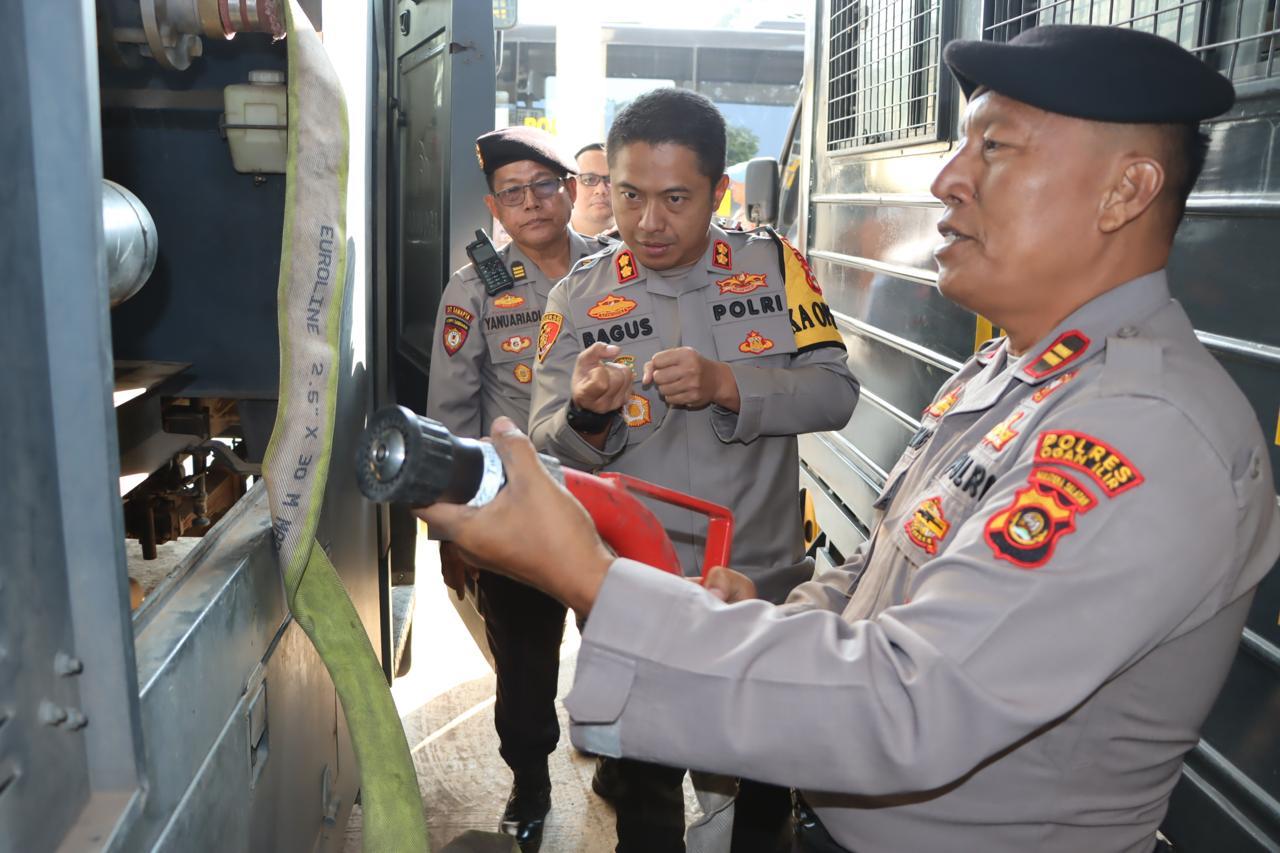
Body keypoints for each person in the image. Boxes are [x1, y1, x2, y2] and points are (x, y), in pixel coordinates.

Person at [421, 26, 1280, 853]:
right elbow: (885, 579)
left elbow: (906, 701)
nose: (946, 178)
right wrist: (761, 614)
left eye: (995, 149)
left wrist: (590, 576)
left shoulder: (1141, 427)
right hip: (737, 641)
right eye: (960, 145)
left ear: (1125, 190)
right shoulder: (1006, 376)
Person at [529, 88, 859, 852]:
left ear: (718, 191)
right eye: (630, 196)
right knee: (646, 809)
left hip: (764, 582)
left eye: (676, 199)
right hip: (633, 588)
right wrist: (589, 416)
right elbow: (546, 443)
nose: (650, 223)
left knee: (766, 799)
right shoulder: (576, 294)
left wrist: (728, 384)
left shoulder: (776, 268)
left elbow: (837, 391)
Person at [425, 125, 609, 852]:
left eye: (543, 184)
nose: (530, 202)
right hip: (521, 506)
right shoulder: (474, 291)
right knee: (527, 664)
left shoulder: (616, 270)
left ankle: (624, 766)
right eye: (512, 192)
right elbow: (451, 418)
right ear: (493, 207)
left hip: (610, 502)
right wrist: (454, 531)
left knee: (623, 646)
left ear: (570, 188)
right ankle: (529, 781)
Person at [570, 142, 615, 237]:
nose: (601, 190)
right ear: (570, 186)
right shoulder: (551, 238)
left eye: (610, 179)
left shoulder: (639, 240)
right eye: (589, 179)